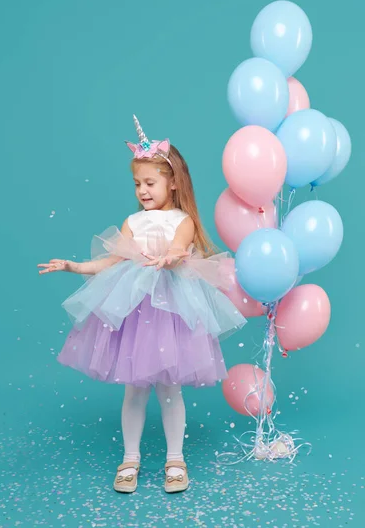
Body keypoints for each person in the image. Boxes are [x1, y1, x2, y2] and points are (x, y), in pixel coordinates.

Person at [38, 115, 246, 494]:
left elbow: (180, 249)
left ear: (173, 182)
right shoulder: (133, 222)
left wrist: (170, 258)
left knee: (170, 389)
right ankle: (130, 459)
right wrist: (73, 266)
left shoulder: (182, 220)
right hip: (136, 314)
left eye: (150, 183)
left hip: (171, 313)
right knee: (134, 388)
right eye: (137, 184)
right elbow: (111, 261)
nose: (143, 191)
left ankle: (175, 460)